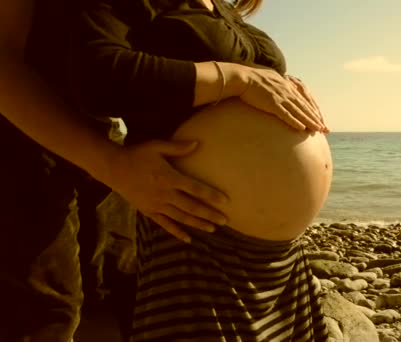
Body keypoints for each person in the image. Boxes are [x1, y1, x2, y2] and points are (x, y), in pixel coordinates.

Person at [0, 0, 322, 340]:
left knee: (116, 297)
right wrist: (110, 163)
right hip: (31, 147)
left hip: (253, 245)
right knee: (47, 314)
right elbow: (12, 65)